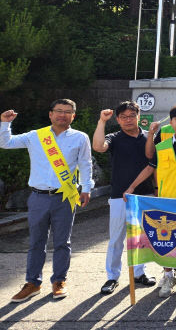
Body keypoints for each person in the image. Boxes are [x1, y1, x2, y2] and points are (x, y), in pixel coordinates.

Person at [1, 100, 93, 303]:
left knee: (62, 242)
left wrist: (86, 188)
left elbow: (85, 164)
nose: (63, 115)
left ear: (73, 116)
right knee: (36, 242)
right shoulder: (36, 136)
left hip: (65, 197)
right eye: (59, 111)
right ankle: (33, 283)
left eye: (67, 112)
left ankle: (59, 281)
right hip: (38, 197)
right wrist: (5, 123)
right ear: (50, 114)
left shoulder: (80, 137)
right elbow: (5, 143)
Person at [126, 105, 176, 299]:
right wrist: (132, 187)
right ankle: (169, 275)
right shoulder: (162, 146)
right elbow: (150, 167)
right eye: (175, 118)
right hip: (166, 200)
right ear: (170, 122)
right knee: (165, 240)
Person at [93, 102, 156, 295]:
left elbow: (153, 163)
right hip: (120, 195)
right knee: (117, 238)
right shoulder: (114, 137)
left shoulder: (148, 136)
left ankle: (139, 273)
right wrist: (102, 121)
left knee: (142, 237)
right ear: (118, 119)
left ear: (139, 115)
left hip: (145, 194)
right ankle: (112, 277)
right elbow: (98, 146)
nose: (128, 120)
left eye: (131, 115)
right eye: (123, 117)